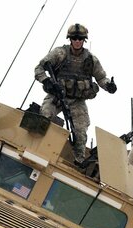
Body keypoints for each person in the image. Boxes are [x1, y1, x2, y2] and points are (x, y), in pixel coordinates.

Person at [34, 23, 117, 164]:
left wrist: (108, 86)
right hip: (58, 96)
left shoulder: (90, 59)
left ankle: (78, 162)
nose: (77, 41)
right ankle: (36, 148)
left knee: (80, 132)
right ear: (70, 39)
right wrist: (46, 81)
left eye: (80, 38)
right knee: (45, 116)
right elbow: (39, 68)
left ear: (84, 40)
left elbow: (101, 77)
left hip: (77, 101)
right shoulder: (59, 53)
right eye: (74, 38)